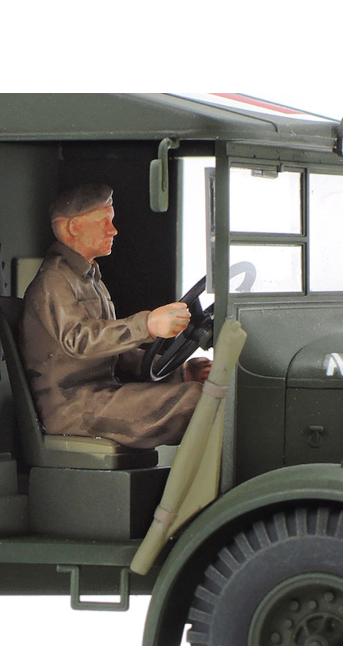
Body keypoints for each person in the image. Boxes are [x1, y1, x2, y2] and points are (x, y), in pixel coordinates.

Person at [19, 183, 211, 449]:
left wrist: (180, 372)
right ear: (73, 228)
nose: (113, 230)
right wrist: (147, 326)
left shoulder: (90, 280)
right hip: (72, 407)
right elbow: (80, 341)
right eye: (104, 222)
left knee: (201, 394)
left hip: (98, 395)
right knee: (197, 400)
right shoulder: (55, 280)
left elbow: (113, 355)